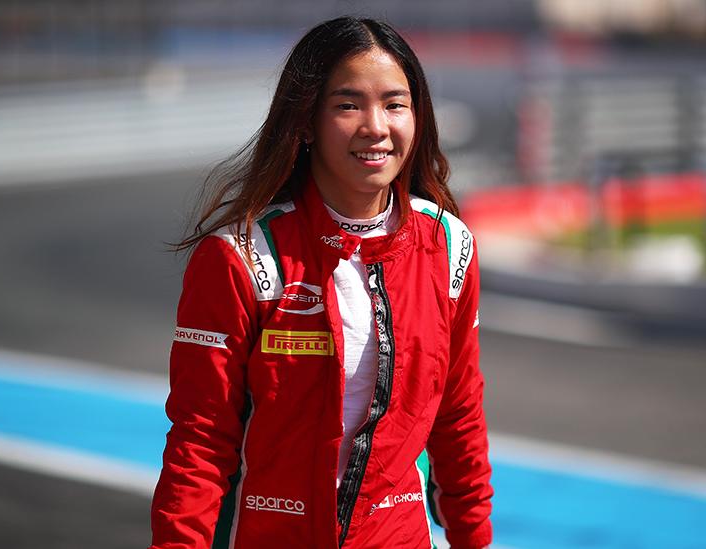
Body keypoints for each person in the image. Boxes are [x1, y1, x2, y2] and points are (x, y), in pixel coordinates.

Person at [150, 16, 493, 549]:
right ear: (306, 121)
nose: (376, 126)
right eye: (348, 104)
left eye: (395, 104)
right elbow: (201, 444)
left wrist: (474, 539)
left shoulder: (450, 246)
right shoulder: (241, 257)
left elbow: (459, 415)